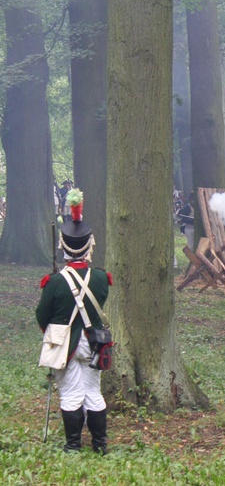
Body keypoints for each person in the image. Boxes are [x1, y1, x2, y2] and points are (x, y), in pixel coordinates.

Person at [36, 188, 112, 453]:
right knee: (93, 392)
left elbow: (42, 316)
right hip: (94, 344)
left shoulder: (54, 282)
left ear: (63, 245)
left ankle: (73, 446)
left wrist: (54, 332)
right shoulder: (102, 278)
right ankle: (100, 445)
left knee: (70, 393)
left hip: (65, 346)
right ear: (89, 245)